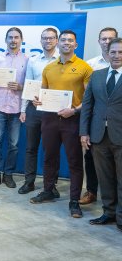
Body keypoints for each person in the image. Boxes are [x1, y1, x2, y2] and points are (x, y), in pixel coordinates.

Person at [30, 30, 92, 218]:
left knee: (74, 161)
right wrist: (37, 100)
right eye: (63, 40)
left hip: (72, 119)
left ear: (76, 44)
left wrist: (74, 110)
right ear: (58, 43)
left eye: (70, 40)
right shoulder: (49, 68)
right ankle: (49, 190)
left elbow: (89, 98)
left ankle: (74, 201)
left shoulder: (85, 68)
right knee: (49, 157)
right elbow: (43, 92)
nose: (66, 43)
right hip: (49, 118)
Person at [80, 38, 122, 230]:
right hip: (98, 136)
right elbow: (87, 106)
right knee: (104, 178)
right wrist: (84, 132)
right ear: (107, 53)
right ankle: (109, 213)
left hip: (120, 135)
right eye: (113, 52)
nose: (117, 55)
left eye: (121, 52)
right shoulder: (97, 76)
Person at [0, 27, 28, 189]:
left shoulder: (27, 60)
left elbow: (31, 85)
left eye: (16, 37)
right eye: (10, 37)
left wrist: (20, 86)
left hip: (17, 109)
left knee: (14, 145)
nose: (13, 40)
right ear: (6, 40)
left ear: (21, 40)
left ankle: (8, 174)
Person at [18, 28, 59, 194]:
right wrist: (23, 109)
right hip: (33, 109)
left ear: (56, 40)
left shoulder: (62, 60)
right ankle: (29, 182)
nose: (48, 41)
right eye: (45, 38)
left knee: (51, 149)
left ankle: (51, 185)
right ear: (41, 41)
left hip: (53, 111)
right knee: (31, 148)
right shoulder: (33, 61)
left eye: (51, 38)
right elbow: (28, 84)